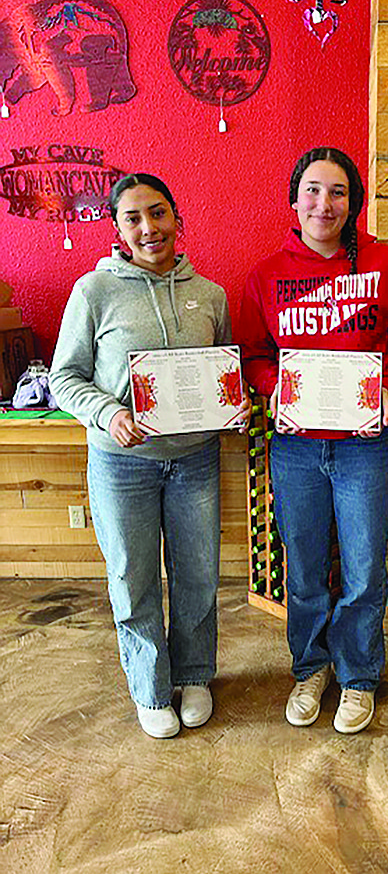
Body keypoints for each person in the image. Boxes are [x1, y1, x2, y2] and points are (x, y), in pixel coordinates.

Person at [239, 147, 388, 733]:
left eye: (339, 192)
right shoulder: (267, 274)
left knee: (365, 568)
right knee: (304, 566)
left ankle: (358, 675)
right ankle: (310, 667)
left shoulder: (387, 265)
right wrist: (277, 389)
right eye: (314, 191)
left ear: (354, 202)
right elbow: (253, 353)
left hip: (365, 446)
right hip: (296, 446)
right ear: (294, 200)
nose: (326, 203)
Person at [50, 173, 248, 739]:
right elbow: (64, 378)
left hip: (195, 461)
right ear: (117, 228)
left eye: (157, 214)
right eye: (133, 217)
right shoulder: (94, 292)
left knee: (198, 576)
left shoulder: (210, 295)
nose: (148, 228)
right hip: (121, 462)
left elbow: (223, 371)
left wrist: (230, 406)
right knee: (132, 577)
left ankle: (194, 676)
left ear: (177, 220)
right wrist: (109, 413)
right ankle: (150, 687)